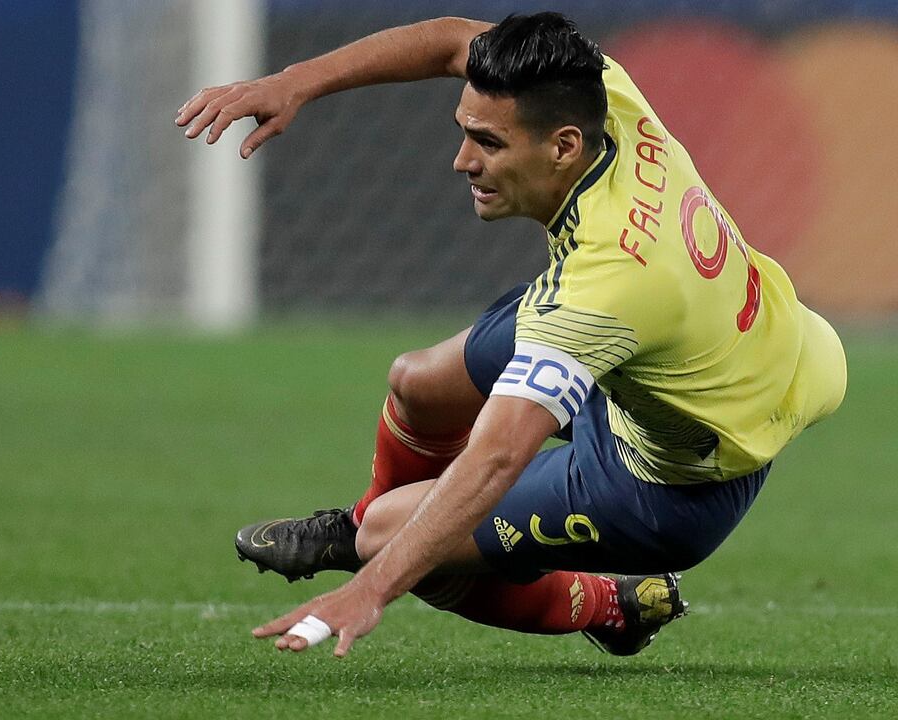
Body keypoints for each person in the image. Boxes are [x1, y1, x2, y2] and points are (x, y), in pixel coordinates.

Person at [175, 12, 846, 658]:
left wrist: (370, 588)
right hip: (734, 346)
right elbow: (449, 41)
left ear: (563, 147)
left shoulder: (603, 287)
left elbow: (495, 460)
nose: (462, 161)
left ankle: (612, 606)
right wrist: (295, 82)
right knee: (416, 383)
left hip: (667, 483)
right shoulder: (600, 90)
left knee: (398, 542)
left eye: (489, 143)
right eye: (466, 132)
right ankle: (368, 525)